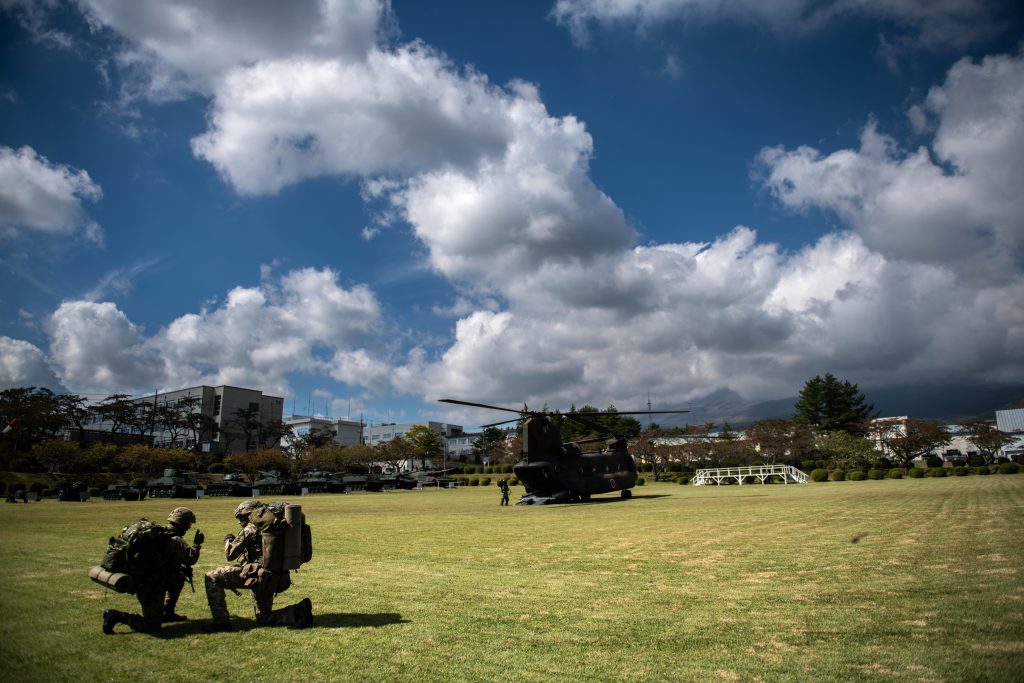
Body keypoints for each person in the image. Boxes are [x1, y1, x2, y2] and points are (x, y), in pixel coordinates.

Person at [203, 500, 313, 632]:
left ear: (248, 513)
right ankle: (299, 611)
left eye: (240, 517)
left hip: (258, 576)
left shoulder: (252, 527)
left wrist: (228, 540)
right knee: (263, 618)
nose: (239, 522)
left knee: (213, 577)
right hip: (276, 576)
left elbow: (230, 554)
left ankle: (221, 622)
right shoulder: (276, 525)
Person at [102, 507, 203, 634]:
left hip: (146, 577)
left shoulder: (159, 533)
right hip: (149, 584)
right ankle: (115, 616)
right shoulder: (173, 539)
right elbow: (191, 559)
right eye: (188, 524)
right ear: (182, 523)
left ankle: (168, 612)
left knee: (178, 577)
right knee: (152, 625)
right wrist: (197, 544)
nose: (189, 527)